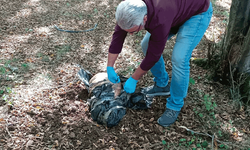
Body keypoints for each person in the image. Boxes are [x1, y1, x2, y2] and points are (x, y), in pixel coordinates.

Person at [107, 0, 213, 127]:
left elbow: (153, 55)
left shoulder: (160, 18)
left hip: (196, 13)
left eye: (133, 31)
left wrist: (134, 78)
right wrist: (109, 67)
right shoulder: (128, 11)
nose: (130, 34)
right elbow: (118, 36)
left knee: (179, 58)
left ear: (145, 18)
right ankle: (162, 85)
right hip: (174, 12)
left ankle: (175, 104)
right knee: (145, 44)